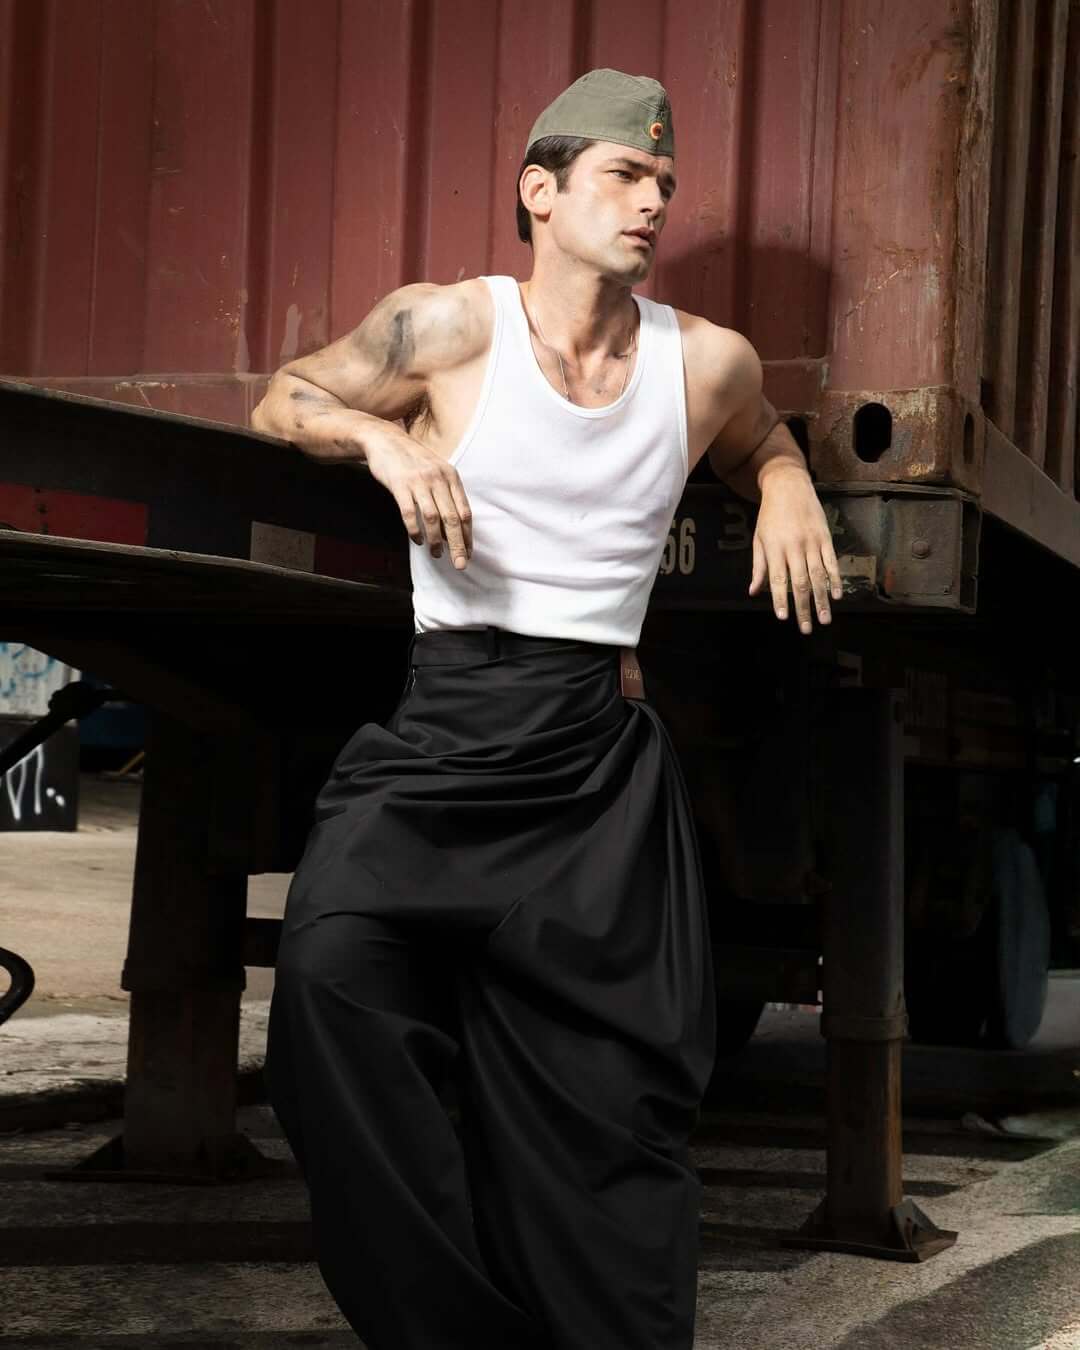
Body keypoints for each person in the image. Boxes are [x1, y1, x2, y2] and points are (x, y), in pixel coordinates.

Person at [253, 68, 840, 1350]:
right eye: (625, 176)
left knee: (608, 1108)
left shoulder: (707, 362)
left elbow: (759, 437)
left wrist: (787, 481)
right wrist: (384, 441)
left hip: (594, 767)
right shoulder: (446, 328)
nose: (652, 203)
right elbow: (284, 394)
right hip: (442, 737)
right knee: (330, 982)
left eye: (664, 184)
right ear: (540, 191)